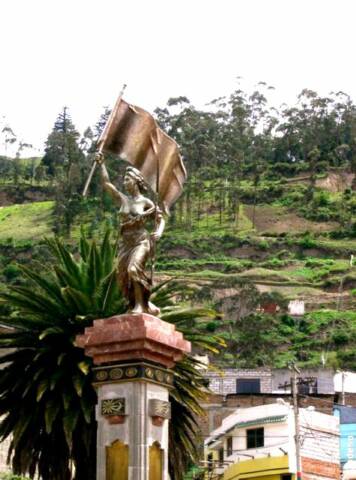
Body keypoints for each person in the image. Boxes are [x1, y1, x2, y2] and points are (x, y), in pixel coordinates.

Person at [96, 153, 165, 315]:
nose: (124, 183)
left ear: (136, 181)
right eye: (124, 180)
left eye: (127, 179)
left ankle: (141, 306)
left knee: (133, 270)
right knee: (122, 278)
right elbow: (107, 184)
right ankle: (140, 303)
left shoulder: (147, 203)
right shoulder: (123, 199)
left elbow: (160, 219)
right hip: (125, 244)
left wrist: (159, 232)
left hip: (141, 241)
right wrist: (101, 164)